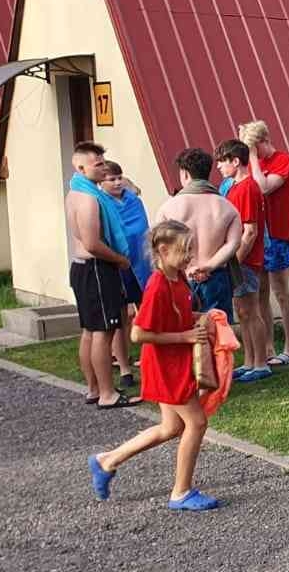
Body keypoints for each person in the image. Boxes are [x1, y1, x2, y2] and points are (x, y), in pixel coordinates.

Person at [87, 219, 221, 511]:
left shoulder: (178, 278)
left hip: (174, 362)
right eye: (185, 250)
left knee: (170, 427)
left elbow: (176, 315)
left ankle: (107, 460)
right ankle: (181, 492)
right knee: (196, 422)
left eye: (191, 249)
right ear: (163, 250)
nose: (189, 256)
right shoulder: (158, 285)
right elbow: (138, 333)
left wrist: (203, 317)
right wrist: (184, 336)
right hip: (165, 366)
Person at [65, 142, 140, 409]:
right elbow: (92, 243)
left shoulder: (76, 192)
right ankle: (107, 394)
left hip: (84, 268)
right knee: (103, 332)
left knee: (90, 330)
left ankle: (94, 389)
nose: (103, 168)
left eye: (103, 161)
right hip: (97, 268)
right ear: (80, 167)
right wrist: (120, 259)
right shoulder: (89, 200)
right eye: (97, 164)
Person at [240, 120, 289, 367]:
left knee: (280, 291)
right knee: (261, 293)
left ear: (264, 141)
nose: (251, 154)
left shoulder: (283, 160)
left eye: (253, 148)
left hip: (278, 235)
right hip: (259, 235)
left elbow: (264, 187)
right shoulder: (254, 164)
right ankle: (268, 347)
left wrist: (253, 158)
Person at [155, 148, 242, 322]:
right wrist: (209, 266)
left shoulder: (168, 207)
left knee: (183, 328)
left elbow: (159, 247)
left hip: (180, 276)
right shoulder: (227, 207)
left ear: (185, 174)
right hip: (216, 277)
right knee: (218, 332)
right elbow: (233, 244)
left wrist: (188, 269)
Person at [215, 139, 272, 383]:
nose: (219, 166)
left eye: (222, 161)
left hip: (245, 261)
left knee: (251, 310)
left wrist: (235, 262)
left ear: (236, 161)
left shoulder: (247, 188)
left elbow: (250, 232)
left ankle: (261, 363)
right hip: (237, 260)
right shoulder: (234, 187)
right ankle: (249, 361)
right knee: (242, 312)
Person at [102, 161, 148, 390]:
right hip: (119, 265)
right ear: (101, 182)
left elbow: (144, 229)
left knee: (147, 314)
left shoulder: (134, 201)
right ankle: (124, 368)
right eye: (111, 179)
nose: (117, 182)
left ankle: (149, 360)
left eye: (119, 177)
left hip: (142, 264)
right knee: (120, 319)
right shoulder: (102, 204)